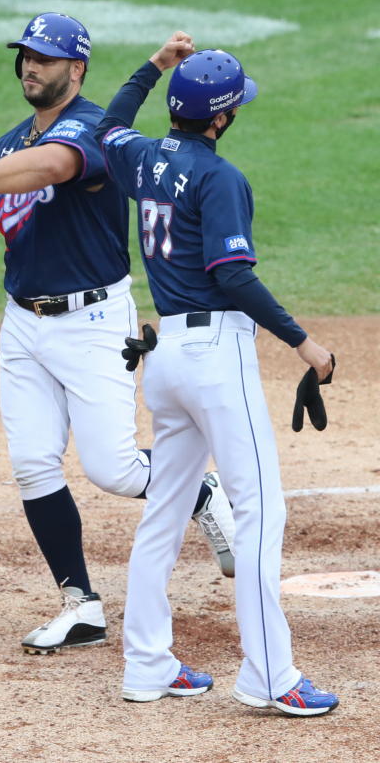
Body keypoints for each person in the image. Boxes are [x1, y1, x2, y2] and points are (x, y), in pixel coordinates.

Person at [0, 14, 236, 656]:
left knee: (113, 467)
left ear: (76, 69)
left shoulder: (90, 129)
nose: (32, 67)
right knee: (33, 463)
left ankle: (197, 486)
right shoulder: (6, 148)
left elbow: (53, 167)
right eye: (26, 56)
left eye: (46, 58)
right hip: (22, 325)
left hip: (92, 322)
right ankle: (80, 604)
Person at [96, 47, 339, 715]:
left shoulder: (143, 157)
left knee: (165, 512)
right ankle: (269, 676)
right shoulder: (219, 178)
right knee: (260, 510)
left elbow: (107, 126)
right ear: (223, 116)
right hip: (214, 358)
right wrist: (302, 341)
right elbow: (231, 275)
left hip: (167, 361)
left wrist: (150, 65)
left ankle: (146, 665)